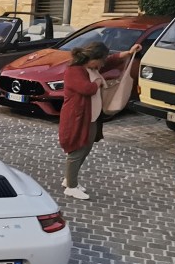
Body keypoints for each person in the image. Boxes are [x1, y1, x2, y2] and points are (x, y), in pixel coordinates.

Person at [58, 41, 139, 199]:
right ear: (93, 58)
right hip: (78, 117)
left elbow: (112, 59)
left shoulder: (92, 67)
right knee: (77, 149)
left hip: (92, 117)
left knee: (86, 147)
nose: (102, 65)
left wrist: (130, 52)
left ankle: (70, 179)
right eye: (100, 61)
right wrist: (98, 82)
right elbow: (86, 88)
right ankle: (70, 187)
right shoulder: (74, 70)